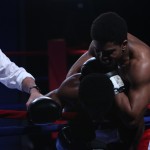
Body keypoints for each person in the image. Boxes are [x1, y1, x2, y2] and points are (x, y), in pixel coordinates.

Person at [65, 11, 150, 149]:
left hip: (145, 117)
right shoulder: (99, 46)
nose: (102, 57)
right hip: (121, 110)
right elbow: (70, 79)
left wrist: (111, 76)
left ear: (123, 45)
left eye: (109, 52)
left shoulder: (142, 63)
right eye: (98, 51)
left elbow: (133, 119)